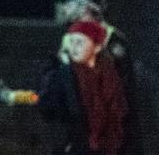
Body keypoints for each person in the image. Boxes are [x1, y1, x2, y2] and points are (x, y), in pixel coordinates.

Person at [39, 20, 129, 155]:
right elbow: (47, 109)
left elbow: (119, 113)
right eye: (72, 42)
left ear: (97, 47)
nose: (74, 48)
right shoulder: (63, 75)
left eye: (80, 43)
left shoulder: (111, 75)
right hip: (74, 147)